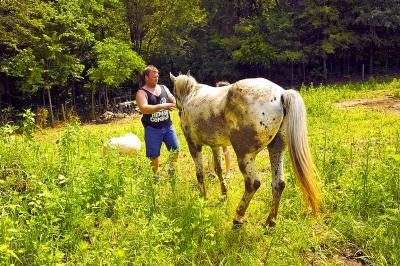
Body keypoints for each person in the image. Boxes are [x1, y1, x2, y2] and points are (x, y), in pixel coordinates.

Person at [135, 65, 179, 180]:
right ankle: (155, 176)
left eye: (157, 76)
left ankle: (172, 169)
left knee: (175, 149)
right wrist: (161, 106)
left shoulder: (164, 87)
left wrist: (174, 101)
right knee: (153, 155)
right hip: (152, 129)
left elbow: (171, 98)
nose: (157, 78)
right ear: (146, 78)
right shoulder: (141, 92)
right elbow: (143, 108)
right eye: (154, 76)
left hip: (168, 126)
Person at [212, 81, 232, 180]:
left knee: (225, 149)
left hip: (225, 128)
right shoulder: (216, 101)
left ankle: (228, 172)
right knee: (215, 148)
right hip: (216, 128)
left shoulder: (229, 102)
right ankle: (212, 170)